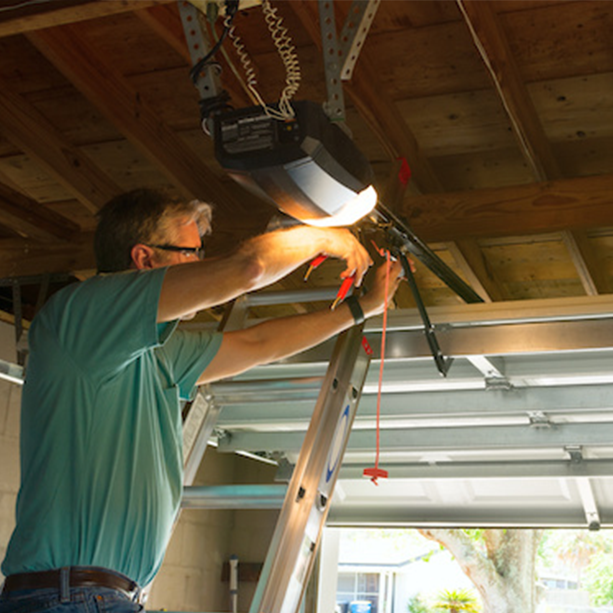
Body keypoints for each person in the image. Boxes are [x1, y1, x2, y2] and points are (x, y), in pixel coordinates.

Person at [0, 188, 403, 613]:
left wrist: (359, 310)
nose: (199, 264)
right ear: (144, 259)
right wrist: (324, 237)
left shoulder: (157, 351)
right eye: (191, 252)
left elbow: (257, 343)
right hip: (72, 597)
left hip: (91, 596)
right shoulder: (81, 318)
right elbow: (247, 268)